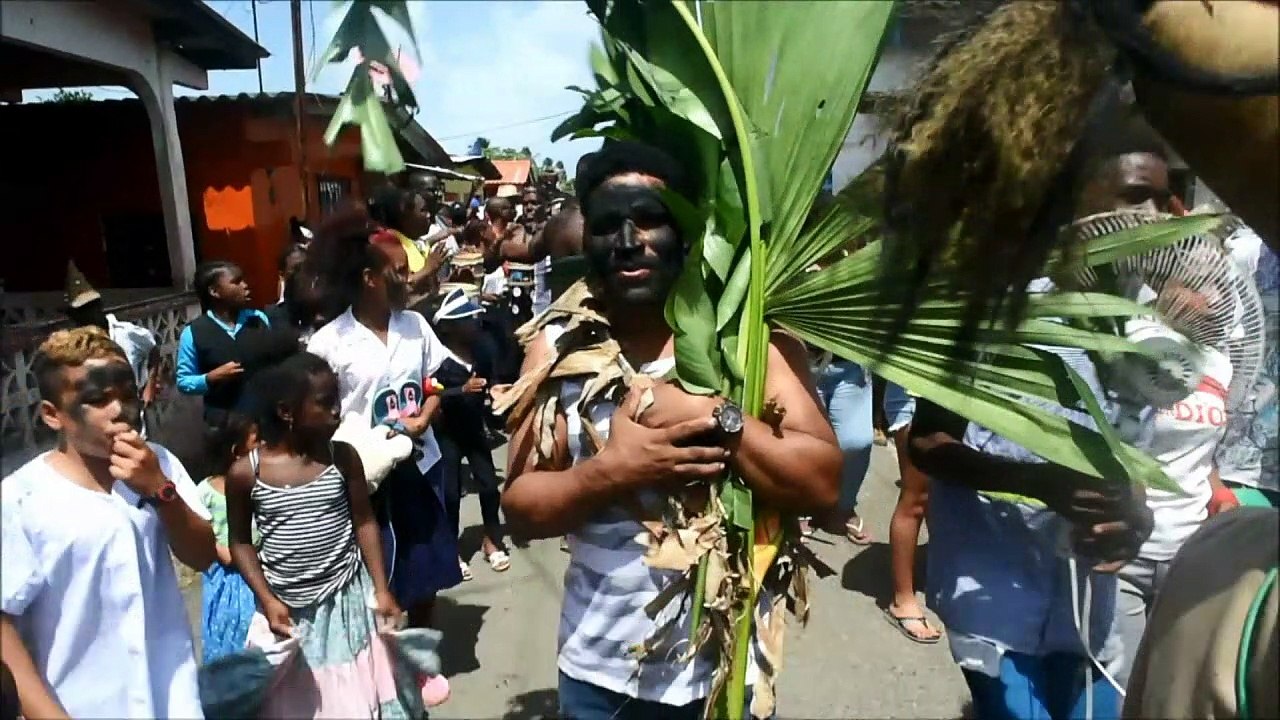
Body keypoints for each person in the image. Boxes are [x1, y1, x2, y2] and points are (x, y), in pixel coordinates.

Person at [500, 141, 842, 719]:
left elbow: (822, 484)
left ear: (687, 232)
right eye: (609, 226)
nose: (630, 242)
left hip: (726, 676)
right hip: (600, 676)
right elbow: (521, 508)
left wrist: (716, 417)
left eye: (651, 220)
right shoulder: (559, 348)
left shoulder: (748, 346)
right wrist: (612, 473)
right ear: (587, 244)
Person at [907, 110, 1165, 720]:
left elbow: (1133, 444)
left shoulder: (1145, 320)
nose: (1153, 217)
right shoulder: (986, 307)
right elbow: (925, 442)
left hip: (1090, 605)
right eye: (1135, 197)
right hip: (997, 596)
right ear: (1074, 200)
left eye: (1161, 198)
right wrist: (1034, 483)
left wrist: (1133, 513)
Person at [1, 327, 215, 719]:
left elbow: (203, 555)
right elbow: (4, 627)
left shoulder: (159, 463)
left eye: (127, 396)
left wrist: (159, 491)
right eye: (97, 400)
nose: (120, 411)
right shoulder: (21, 498)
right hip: (79, 704)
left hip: (172, 700)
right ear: (53, 415)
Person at [224, 352, 435, 717]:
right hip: (289, 611)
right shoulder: (247, 474)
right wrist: (267, 599)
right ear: (287, 412)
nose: (337, 411)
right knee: (303, 704)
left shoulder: (342, 459)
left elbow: (364, 521)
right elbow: (240, 542)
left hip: (347, 602)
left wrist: (381, 589)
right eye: (324, 404)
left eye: (337, 400)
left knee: (357, 697)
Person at [305, 211, 463, 629]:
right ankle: (382, 660)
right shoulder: (329, 343)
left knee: (427, 566)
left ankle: (422, 650)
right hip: (365, 476)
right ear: (369, 278)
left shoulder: (415, 326)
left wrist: (425, 417)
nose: (410, 277)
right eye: (399, 271)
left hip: (422, 464)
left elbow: (439, 381)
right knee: (378, 571)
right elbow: (317, 413)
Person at [431, 288, 508, 579]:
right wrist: (458, 391)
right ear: (449, 327)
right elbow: (430, 393)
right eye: (465, 320)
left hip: (475, 430)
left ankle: (492, 539)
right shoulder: (438, 358)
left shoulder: (482, 350)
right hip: (447, 434)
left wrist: (496, 392)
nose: (473, 324)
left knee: (489, 486)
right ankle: (452, 549)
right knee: (450, 492)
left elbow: (490, 383)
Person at [175, 260, 276, 425]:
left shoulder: (258, 319)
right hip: (224, 423)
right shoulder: (194, 332)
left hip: (263, 418)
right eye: (236, 282)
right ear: (215, 291)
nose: (245, 285)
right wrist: (209, 378)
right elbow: (184, 381)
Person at [64, 260, 160, 424]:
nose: (88, 314)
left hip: (132, 418)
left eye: (91, 307)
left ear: (99, 306)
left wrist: (150, 385)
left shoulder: (126, 333)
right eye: (80, 311)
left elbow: (153, 349)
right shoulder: (73, 346)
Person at [196, 414, 259, 664]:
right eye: (258, 441)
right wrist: (220, 550)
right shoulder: (205, 492)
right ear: (237, 452)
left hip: (259, 566)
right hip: (227, 577)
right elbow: (201, 532)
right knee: (230, 625)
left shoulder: (259, 485)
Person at [884, 383, 942, 643]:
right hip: (916, 396)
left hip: (956, 396)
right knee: (917, 496)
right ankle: (903, 599)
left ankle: (941, 575)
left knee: (942, 496)